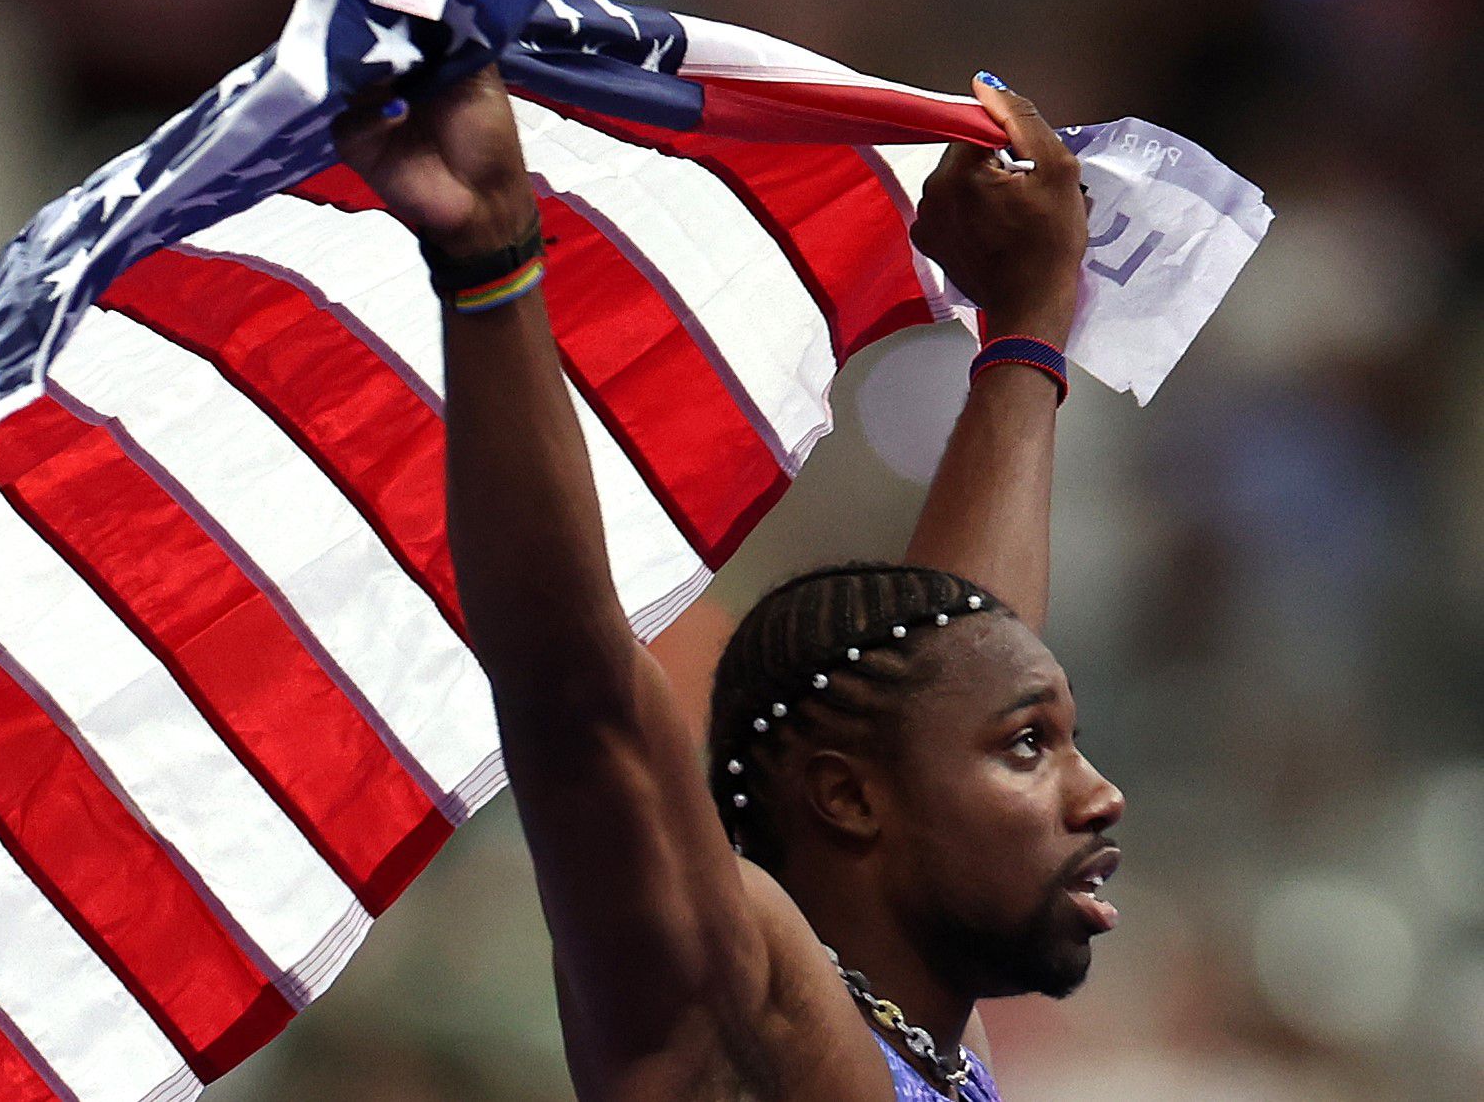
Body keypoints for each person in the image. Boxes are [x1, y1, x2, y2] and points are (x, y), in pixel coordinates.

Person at [334, 64, 1123, 1101]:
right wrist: (491, 262)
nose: (1100, 795)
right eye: (1031, 746)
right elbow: (578, 697)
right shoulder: (738, 1024)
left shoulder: (913, 1034)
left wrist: (1025, 332)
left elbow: (965, 658)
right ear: (845, 797)